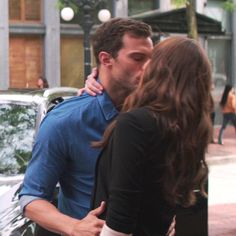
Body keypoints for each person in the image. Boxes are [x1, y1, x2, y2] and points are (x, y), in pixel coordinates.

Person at [19, 18, 153, 235]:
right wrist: (74, 226)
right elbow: (31, 198)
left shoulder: (156, 113)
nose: (148, 67)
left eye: (151, 58)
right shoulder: (66, 121)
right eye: (137, 58)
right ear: (106, 59)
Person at [91, 36, 212, 236]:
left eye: (151, 59)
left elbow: (121, 218)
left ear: (159, 69)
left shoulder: (136, 123)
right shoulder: (190, 127)